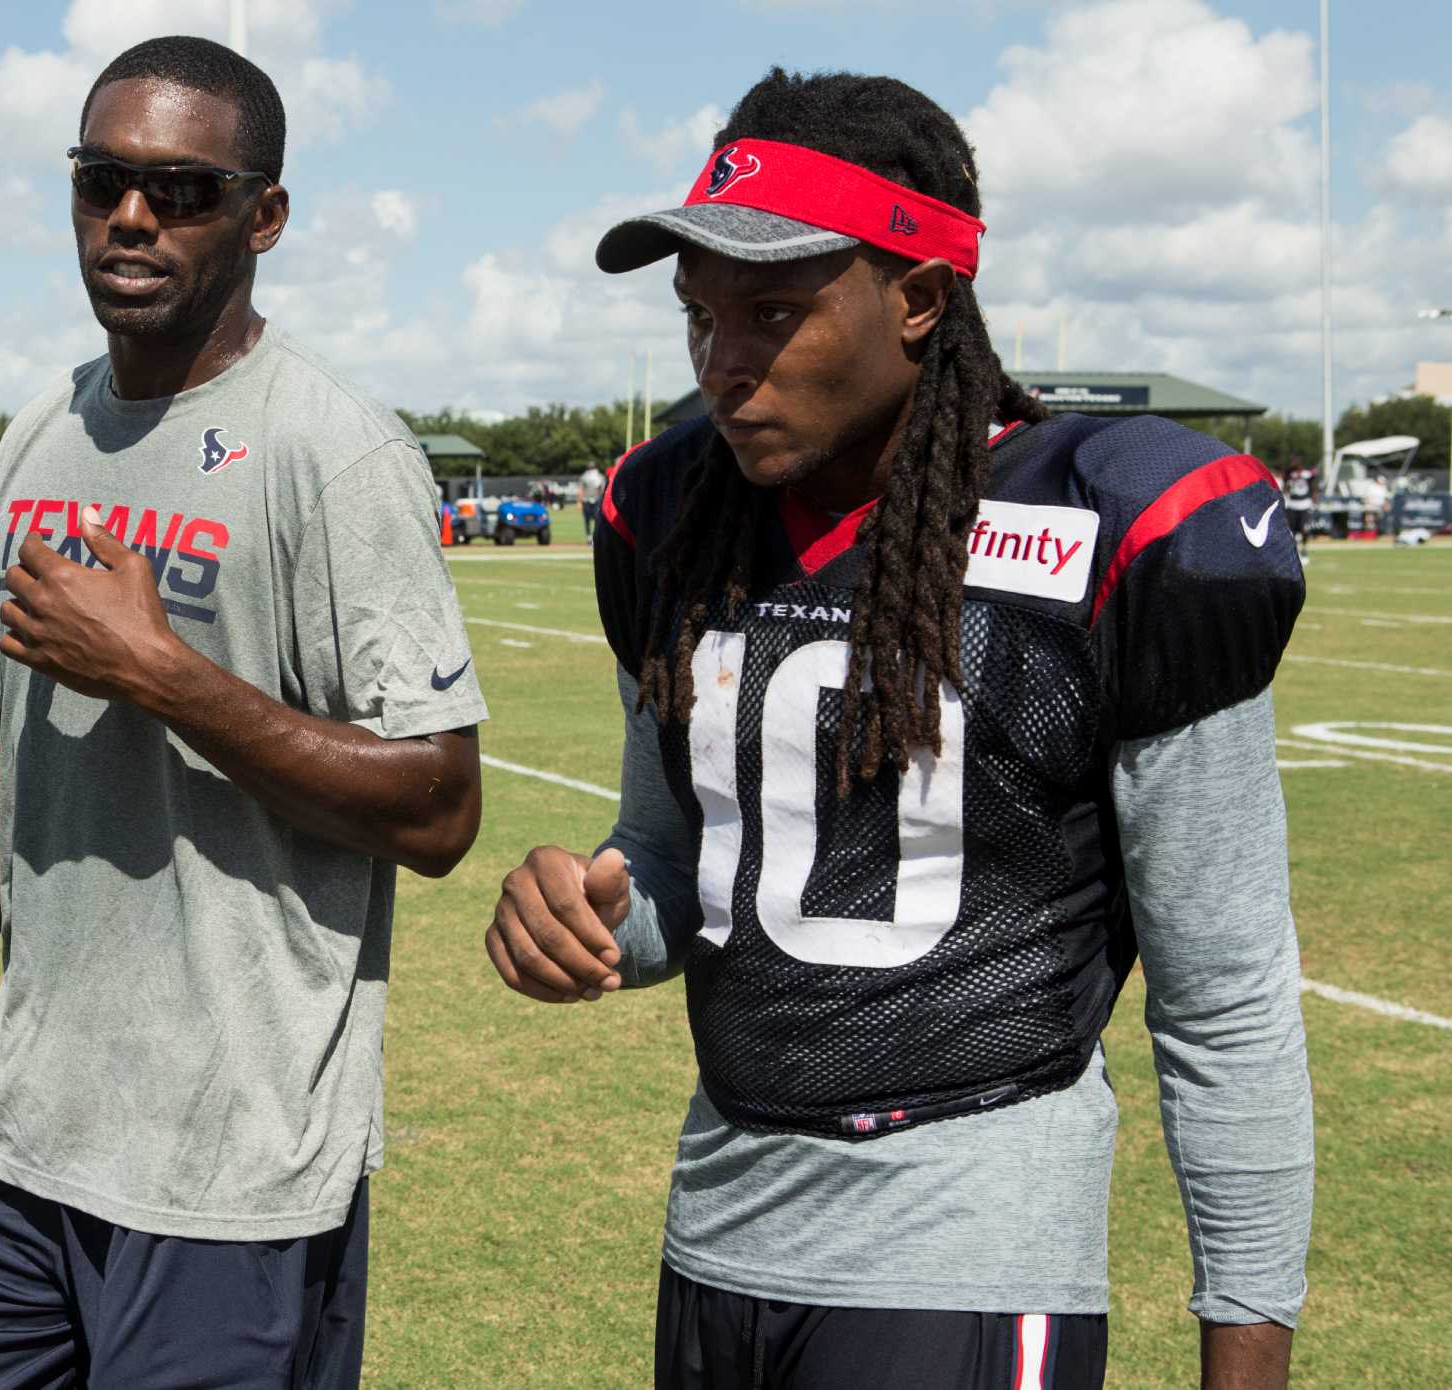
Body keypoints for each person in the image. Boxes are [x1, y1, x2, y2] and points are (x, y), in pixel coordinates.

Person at [484, 69, 1312, 1390]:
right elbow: (664, 858)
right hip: (720, 1232)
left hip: (971, 1246)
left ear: (920, 296)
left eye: (772, 312)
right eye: (701, 316)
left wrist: (1248, 1350)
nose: (724, 359)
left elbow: (1227, 1000)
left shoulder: (1114, 528)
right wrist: (588, 908)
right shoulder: (673, 514)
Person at [0, 36, 485, 1388]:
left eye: (181, 190)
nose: (131, 216)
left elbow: (442, 804)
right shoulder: (37, 437)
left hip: (232, 1175)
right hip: (17, 1140)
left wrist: (166, 675)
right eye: (103, 180)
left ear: (263, 217)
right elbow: (8, 768)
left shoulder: (334, 453)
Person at [1282, 454, 1317, 560]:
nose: (1293, 463)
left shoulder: (1307, 474)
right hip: (1292, 505)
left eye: (1295, 461)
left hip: (1305, 504)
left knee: (1304, 529)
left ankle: (1304, 549)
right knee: (1292, 531)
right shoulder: (1289, 474)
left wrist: (1314, 498)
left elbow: (1313, 486)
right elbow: (1285, 487)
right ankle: (1295, 552)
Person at [579, 460, 607, 540]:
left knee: (597, 519)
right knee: (587, 520)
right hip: (586, 500)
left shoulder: (600, 477)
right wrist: (580, 501)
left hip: (596, 500)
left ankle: (596, 536)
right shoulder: (584, 476)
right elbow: (581, 489)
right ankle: (589, 537)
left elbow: (602, 490)